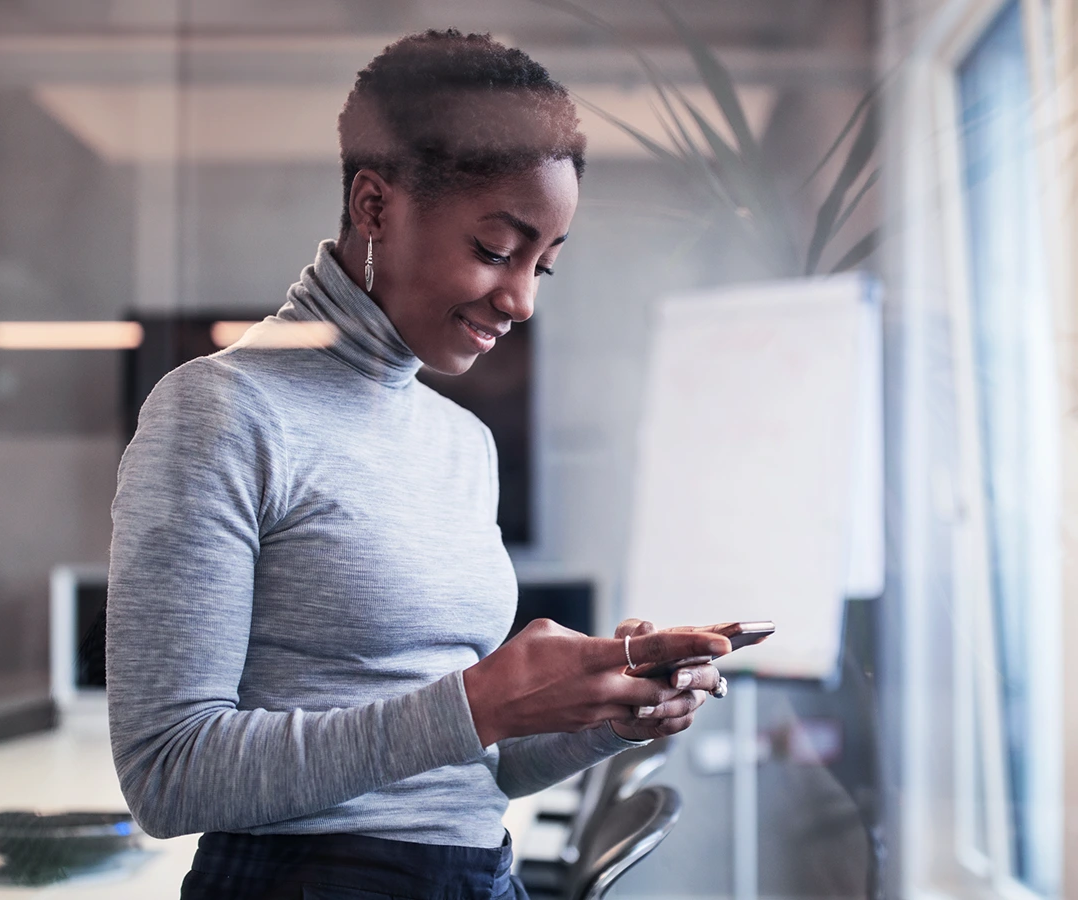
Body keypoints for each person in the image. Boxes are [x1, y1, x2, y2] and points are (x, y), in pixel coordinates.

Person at [106, 29, 730, 900]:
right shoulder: (219, 410)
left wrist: (603, 715)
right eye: (495, 249)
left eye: (542, 265)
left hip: (477, 878)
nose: (521, 300)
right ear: (373, 206)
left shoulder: (461, 442)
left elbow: (466, 772)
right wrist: (478, 702)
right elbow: (168, 776)